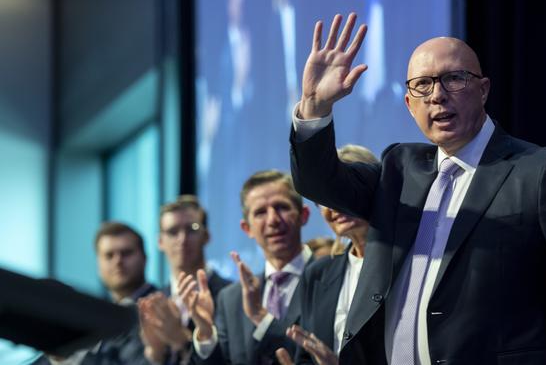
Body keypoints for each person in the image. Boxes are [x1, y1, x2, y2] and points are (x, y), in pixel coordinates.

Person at [289, 13, 546, 365]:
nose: (438, 95)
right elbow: (320, 182)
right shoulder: (398, 168)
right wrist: (316, 107)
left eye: (454, 79)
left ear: (484, 89)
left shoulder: (539, 174)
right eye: (423, 85)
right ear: (410, 105)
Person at [181, 170, 315, 364]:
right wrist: (205, 332)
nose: (273, 220)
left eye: (282, 207)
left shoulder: (329, 278)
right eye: (260, 212)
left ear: (303, 215)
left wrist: (260, 317)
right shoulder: (231, 299)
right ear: (247, 228)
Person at [282, 144, 377, 365]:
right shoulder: (317, 274)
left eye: (343, 190)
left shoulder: (408, 263)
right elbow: (306, 356)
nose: (333, 204)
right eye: (323, 198)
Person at [32, 222, 157, 365]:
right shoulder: (95, 315)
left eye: (126, 253)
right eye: (109, 255)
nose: (118, 261)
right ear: (98, 263)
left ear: (145, 258)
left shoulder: (164, 309)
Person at [138, 195, 230, 364]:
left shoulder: (231, 295)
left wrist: (182, 339)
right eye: (173, 231)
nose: (182, 239)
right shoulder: (154, 302)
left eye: (192, 229)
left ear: (206, 236)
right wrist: (155, 353)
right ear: (160, 242)